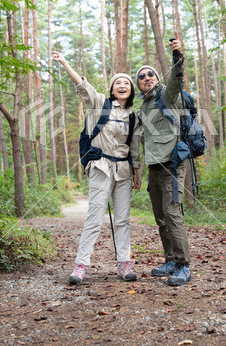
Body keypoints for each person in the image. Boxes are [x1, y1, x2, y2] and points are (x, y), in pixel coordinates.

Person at [52, 51, 141, 284]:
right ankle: (81, 266)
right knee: (94, 217)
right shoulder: (99, 102)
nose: (122, 86)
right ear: (112, 89)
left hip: (123, 171)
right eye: (118, 83)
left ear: (131, 90)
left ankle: (124, 264)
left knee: (122, 220)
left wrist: (137, 173)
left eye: (127, 83)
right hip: (100, 166)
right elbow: (82, 84)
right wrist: (64, 62)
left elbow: (134, 147)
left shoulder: (133, 117)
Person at [135, 32, 191, 286]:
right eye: (141, 77)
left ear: (157, 78)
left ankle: (183, 265)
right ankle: (170, 259)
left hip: (172, 163)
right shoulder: (143, 108)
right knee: (160, 216)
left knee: (172, 213)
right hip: (153, 167)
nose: (146, 78)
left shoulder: (165, 96)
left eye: (150, 74)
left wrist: (177, 55)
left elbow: (176, 80)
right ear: (138, 85)